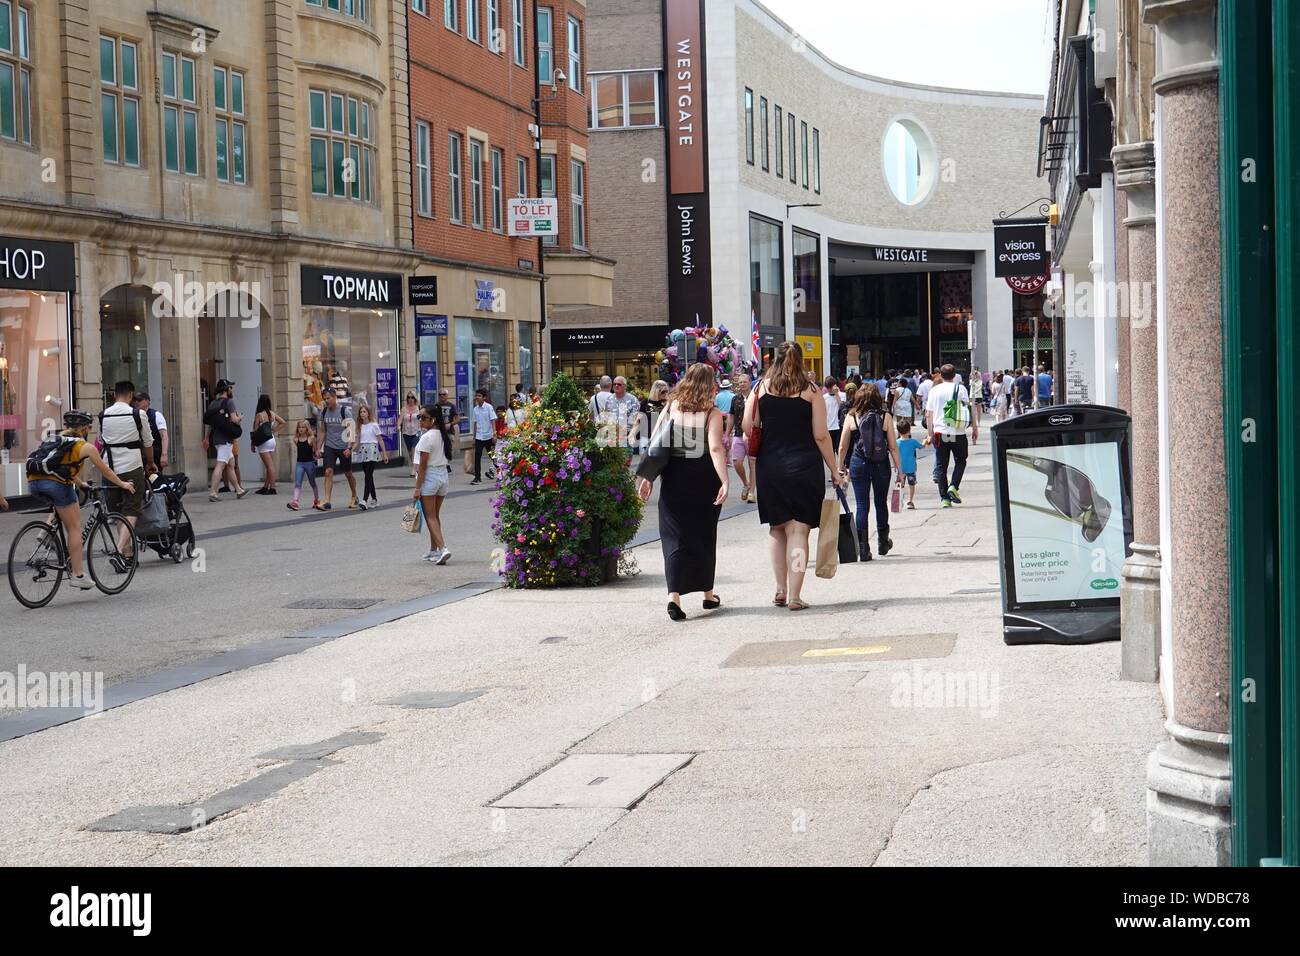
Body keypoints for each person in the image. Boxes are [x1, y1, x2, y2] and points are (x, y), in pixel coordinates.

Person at [743, 341, 845, 612]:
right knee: (799, 530)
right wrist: (834, 470)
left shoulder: (760, 387)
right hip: (804, 466)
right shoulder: (811, 391)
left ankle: (780, 587)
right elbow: (821, 435)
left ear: (773, 360)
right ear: (801, 361)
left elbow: (747, 425)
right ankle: (796, 596)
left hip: (770, 466)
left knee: (777, 528)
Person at [636, 363, 728, 621]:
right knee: (703, 535)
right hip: (703, 477)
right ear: (710, 385)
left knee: (674, 536)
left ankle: (673, 596)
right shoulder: (712, 413)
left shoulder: (671, 407)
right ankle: (708, 594)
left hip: (674, 476)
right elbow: (716, 449)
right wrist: (725, 480)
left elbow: (656, 444)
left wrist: (648, 477)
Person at [25, 409, 137, 591]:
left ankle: (47, 531)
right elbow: (105, 470)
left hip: (34, 483)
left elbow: (61, 468)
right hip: (56, 485)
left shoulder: (55, 440)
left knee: (66, 502)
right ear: (85, 428)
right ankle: (78, 575)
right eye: (89, 427)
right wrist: (122, 484)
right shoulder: (85, 446)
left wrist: (81, 483)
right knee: (74, 526)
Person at [836, 383, 900, 561]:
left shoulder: (852, 416)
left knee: (862, 504)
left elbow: (842, 446)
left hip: (858, 463)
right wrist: (900, 470)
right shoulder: (885, 416)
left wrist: (840, 467)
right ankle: (883, 542)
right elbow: (893, 447)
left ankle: (863, 549)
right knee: (880, 502)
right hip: (881, 464)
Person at [99, 380, 154, 553]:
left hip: (109, 468)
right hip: (132, 466)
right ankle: (119, 548)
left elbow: (101, 441)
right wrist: (151, 463)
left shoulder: (103, 415)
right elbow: (148, 442)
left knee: (116, 511)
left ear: (115, 395)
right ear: (130, 395)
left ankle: (127, 554)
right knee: (132, 509)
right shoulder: (137, 414)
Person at [925, 364, 977, 508]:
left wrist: (930, 434)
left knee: (941, 465)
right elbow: (968, 409)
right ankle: (953, 486)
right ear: (955, 376)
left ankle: (944, 498)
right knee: (961, 460)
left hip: (940, 432)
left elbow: (929, 415)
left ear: (940, 375)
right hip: (957, 432)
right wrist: (974, 428)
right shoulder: (961, 389)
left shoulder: (934, 390)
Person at [413, 403, 453, 564]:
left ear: (433, 419)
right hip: (443, 475)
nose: (420, 420)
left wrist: (417, 488)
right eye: (419, 417)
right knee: (434, 516)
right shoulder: (443, 435)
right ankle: (433, 550)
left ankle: (443, 548)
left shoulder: (426, 437)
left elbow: (422, 466)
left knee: (430, 516)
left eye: (424, 417)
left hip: (430, 476)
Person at [203, 379, 248, 501]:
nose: (232, 390)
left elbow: (208, 424)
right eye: (231, 387)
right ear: (226, 389)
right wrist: (240, 418)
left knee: (231, 464)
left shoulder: (213, 404)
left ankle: (238, 490)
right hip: (225, 439)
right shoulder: (229, 402)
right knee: (221, 465)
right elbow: (234, 420)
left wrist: (206, 438)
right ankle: (213, 492)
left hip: (217, 438)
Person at [315, 388, 358, 510]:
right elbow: (323, 431)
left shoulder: (345, 411)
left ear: (334, 397)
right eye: (325, 399)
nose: (326, 401)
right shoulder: (323, 412)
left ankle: (354, 495)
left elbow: (351, 431)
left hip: (343, 446)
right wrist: (318, 447)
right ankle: (327, 500)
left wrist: (349, 447)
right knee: (328, 472)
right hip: (330, 446)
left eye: (328, 398)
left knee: (348, 473)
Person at [728, 372, 756, 503]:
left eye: (744, 382)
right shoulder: (735, 399)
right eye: (740, 382)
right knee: (736, 462)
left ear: (750, 382)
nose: (742, 384)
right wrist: (727, 433)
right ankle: (746, 483)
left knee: (752, 463)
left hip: (752, 435)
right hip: (738, 434)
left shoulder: (756, 398)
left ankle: (751, 492)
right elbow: (731, 416)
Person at [354, 404, 388, 510]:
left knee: (368, 475)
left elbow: (380, 439)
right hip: (363, 450)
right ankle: (374, 499)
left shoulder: (374, 425)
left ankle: (364, 499)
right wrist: (350, 449)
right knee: (369, 476)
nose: (363, 414)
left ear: (368, 413)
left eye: (364, 412)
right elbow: (357, 441)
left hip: (372, 449)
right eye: (361, 412)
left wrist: (384, 454)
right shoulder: (359, 426)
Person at [251, 395, 286, 494]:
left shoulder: (259, 415)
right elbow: (283, 422)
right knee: (269, 465)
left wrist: (252, 443)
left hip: (263, 442)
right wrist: (273, 430)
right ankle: (266, 487)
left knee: (270, 466)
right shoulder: (272, 413)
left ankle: (273, 488)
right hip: (271, 440)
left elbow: (255, 430)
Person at [286, 421, 322, 511]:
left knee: (312, 482)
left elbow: (315, 449)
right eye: (299, 427)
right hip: (300, 463)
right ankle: (295, 502)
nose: (301, 429)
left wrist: (317, 453)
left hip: (309, 463)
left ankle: (317, 500)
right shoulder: (296, 439)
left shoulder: (311, 438)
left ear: (307, 428)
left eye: (303, 427)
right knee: (298, 483)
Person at [133, 391, 169, 472]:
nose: (136, 402)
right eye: (135, 400)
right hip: (138, 454)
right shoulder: (133, 415)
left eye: (139, 400)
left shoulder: (156, 415)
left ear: (147, 401)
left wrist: (164, 454)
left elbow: (164, 435)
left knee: (154, 478)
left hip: (154, 453)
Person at [895, 419, 926, 510]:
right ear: (909, 431)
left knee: (899, 485)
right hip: (911, 468)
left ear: (898, 431)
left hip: (900, 468)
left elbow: (894, 453)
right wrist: (925, 440)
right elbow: (922, 446)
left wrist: (894, 465)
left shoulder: (897, 443)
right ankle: (910, 501)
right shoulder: (913, 442)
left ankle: (896, 503)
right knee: (911, 485)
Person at [470, 389, 496, 484]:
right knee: (477, 457)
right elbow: (475, 424)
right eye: (476, 395)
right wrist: (473, 438)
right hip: (479, 437)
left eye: (479, 396)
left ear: (484, 397)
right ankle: (477, 477)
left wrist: (494, 434)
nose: (477, 397)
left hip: (488, 436)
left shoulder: (489, 407)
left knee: (492, 456)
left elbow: (492, 420)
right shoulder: (475, 409)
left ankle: (502, 474)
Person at [399, 393, 422, 478]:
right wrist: (398, 426)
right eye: (408, 397)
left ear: (415, 398)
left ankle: (413, 469)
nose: (410, 399)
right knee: (410, 452)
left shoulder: (418, 408)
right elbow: (400, 419)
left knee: (414, 449)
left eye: (412, 397)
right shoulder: (404, 409)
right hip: (406, 432)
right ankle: (416, 465)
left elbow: (422, 419)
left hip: (417, 431)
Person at [823, 376, 844, 457]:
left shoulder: (842, 395)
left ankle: (841, 467)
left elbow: (842, 408)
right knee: (830, 453)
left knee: (840, 451)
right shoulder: (824, 397)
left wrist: (836, 394)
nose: (829, 390)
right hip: (828, 427)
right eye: (827, 387)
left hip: (838, 427)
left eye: (830, 387)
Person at [968, 366, 984, 440]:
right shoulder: (971, 381)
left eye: (977, 374)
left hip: (979, 396)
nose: (976, 375)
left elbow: (978, 387)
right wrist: (973, 377)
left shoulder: (980, 381)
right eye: (975, 374)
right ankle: (973, 422)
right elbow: (971, 385)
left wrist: (977, 379)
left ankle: (979, 421)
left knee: (979, 410)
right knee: (973, 410)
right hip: (972, 396)